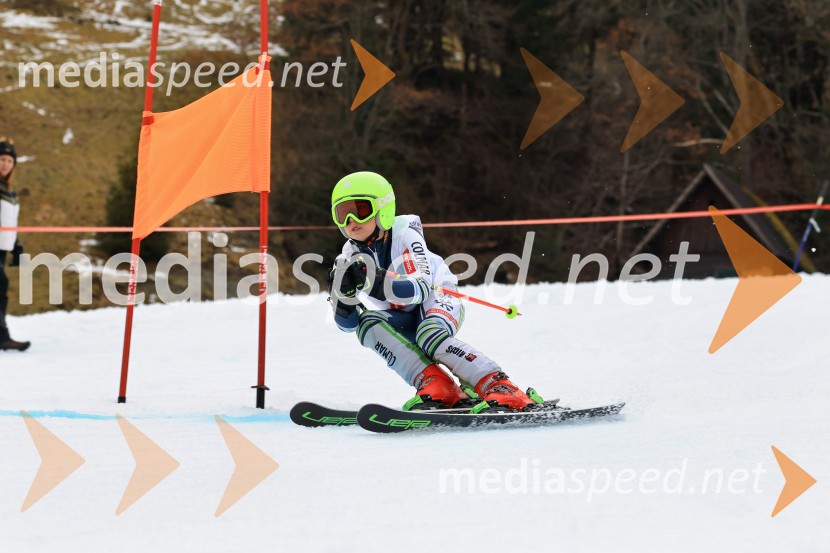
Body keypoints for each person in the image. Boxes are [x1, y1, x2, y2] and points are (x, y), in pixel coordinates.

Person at [326, 171, 539, 411]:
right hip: (403, 315)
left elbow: (421, 289)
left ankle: (500, 386)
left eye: (361, 210)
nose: (351, 220)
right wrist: (343, 299)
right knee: (368, 325)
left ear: (382, 209)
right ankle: (437, 385)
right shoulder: (347, 257)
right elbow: (348, 326)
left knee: (429, 334)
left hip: (437, 299)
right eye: (342, 214)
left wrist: (375, 282)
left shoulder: (405, 233)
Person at [0, 138, 30, 351]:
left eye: (10, 161)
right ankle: (2, 337)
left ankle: (2, 336)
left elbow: (10, 222)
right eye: (2, 159)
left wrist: (17, 247)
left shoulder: (10, 191)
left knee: (1, 288)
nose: (5, 164)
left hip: (2, 248)